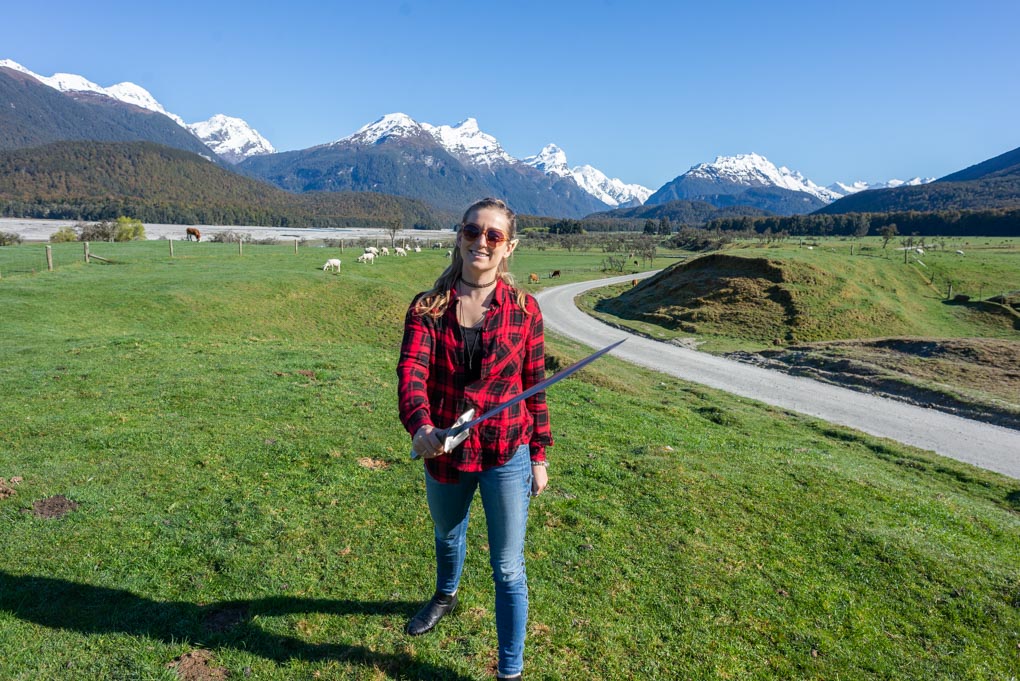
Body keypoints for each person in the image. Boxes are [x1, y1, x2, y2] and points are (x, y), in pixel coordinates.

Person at [397, 197, 552, 680]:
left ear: (509, 248)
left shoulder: (525, 310)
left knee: (508, 568)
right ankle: (445, 594)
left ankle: (510, 670)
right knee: (447, 533)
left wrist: (540, 455)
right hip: (444, 449)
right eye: (472, 231)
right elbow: (412, 371)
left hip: (508, 451)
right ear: (459, 237)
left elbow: (534, 387)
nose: (480, 242)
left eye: (493, 235)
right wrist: (421, 425)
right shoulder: (428, 306)